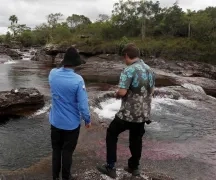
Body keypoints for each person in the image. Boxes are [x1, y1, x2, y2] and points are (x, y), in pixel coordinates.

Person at [96, 43, 155, 178]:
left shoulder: (128, 70)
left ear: (127, 55)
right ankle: (134, 167)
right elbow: (152, 91)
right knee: (136, 139)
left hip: (127, 114)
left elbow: (122, 92)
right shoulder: (150, 69)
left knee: (111, 133)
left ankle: (110, 167)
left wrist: (116, 94)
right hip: (143, 114)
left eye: (124, 57)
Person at [48, 47, 91, 180]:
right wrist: (87, 120)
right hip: (71, 125)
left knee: (56, 151)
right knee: (67, 152)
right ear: (75, 63)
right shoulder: (78, 80)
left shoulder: (52, 74)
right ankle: (66, 177)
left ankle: (55, 177)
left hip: (55, 122)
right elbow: (83, 105)